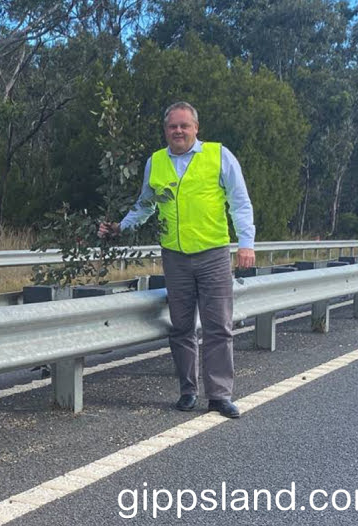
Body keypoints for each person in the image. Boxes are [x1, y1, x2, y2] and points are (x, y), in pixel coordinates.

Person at [98, 101, 255, 418]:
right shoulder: (156, 162)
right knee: (181, 327)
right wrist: (121, 228)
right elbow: (145, 205)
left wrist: (246, 244)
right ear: (166, 130)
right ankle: (188, 391)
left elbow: (240, 202)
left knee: (218, 327)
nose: (179, 131)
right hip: (175, 256)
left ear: (196, 128)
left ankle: (219, 395)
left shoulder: (218, 155)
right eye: (173, 126)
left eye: (185, 125)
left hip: (213, 254)